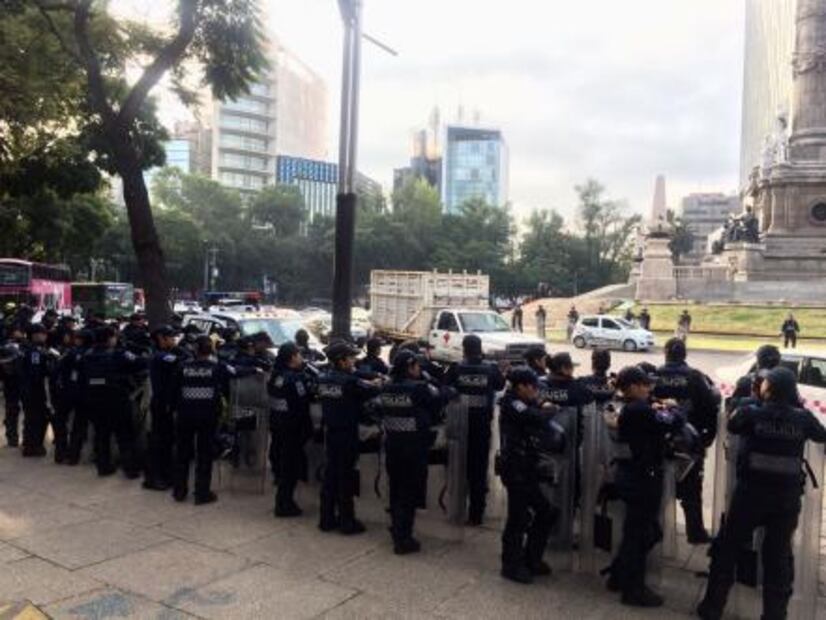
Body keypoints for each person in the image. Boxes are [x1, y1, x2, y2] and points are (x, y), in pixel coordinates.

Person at [697, 367, 826, 620]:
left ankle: (712, 609)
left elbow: (733, 424)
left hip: (749, 496)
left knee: (728, 550)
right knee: (777, 559)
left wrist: (756, 400)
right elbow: (821, 434)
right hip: (785, 501)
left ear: (768, 388)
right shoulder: (802, 418)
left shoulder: (751, 413)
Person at [607, 366, 685, 607]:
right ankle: (633, 590)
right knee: (640, 535)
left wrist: (657, 403)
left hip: (632, 475)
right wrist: (672, 406)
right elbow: (675, 422)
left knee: (642, 532)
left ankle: (619, 575)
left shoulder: (627, 406)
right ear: (631, 387)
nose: (648, 388)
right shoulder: (639, 410)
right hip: (643, 479)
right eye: (643, 385)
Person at [378, 350, 456, 553]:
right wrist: (430, 380)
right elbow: (443, 396)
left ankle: (396, 529)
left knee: (395, 490)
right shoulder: (419, 389)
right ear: (411, 367)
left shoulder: (386, 387)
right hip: (413, 448)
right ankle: (403, 539)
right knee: (409, 493)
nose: (419, 369)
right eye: (417, 367)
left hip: (393, 445)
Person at [173, 335, 259, 504]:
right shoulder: (217, 367)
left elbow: (174, 390)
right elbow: (236, 372)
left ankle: (179, 491)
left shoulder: (182, 367)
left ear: (194, 350)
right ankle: (201, 494)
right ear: (211, 350)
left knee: (182, 454)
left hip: (185, 416)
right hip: (207, 417)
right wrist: (255, 370)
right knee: (204, 455)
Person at [498, 368, 565, 584]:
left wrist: (543, 404)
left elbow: (539, 407)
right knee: (518, 518)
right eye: (533, 387)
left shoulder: (523, 400)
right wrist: (547, 409)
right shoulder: (512, 403)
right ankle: (511, 565)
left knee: (546, 512)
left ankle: (531, 558)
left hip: (527, 467)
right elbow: (534, 416)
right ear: (521, 387)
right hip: (515, 467)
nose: (536, 391)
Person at [653, 338, 719, 544]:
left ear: (665, 353)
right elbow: (711, 407)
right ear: (684, 355)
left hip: (660, 439)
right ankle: (695, 533)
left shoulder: (655, 375)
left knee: (657, 486)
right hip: (690, 441)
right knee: (691, 490)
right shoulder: (696, 377)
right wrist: (707, 437)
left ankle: (656, 530)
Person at [317, 342, 382, 535]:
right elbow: (370, 390)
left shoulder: (325, 379)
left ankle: (326, 519)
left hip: (331, 432)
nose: (354, 361)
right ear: (341, 360)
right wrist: (378, 383)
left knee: (330, 477)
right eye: (350, 358)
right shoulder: (349, 382)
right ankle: (347, 521)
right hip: (347, 434)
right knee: (346, 478)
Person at [444, 335, 507, 525]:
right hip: (481, 427)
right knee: (478, 471)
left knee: (457, 467)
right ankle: (476, 514)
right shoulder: (491, 369)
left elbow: (445, 387)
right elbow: (500, 385)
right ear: (480, 349)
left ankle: (455, 509)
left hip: (459, 427)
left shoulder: (456, 368)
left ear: (464, 349)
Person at [79, 326, 148, 477]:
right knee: (124, 435)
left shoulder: (87, 355)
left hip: (95, 401)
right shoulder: (119, 354)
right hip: (117, 400)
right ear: (110, 338)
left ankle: (103, 467)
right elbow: (141, 363)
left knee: (101, 435)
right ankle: (130, 469)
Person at [268, 341, 315, 517]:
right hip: (293, 430)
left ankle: (284, 501)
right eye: (299, 354)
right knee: (290, 469)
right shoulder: (295, 379)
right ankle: (284, 504)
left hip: (279, 427)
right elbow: (303, 402)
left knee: (284, 467)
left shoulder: (275, 376)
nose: (301, 358)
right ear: (292, 357)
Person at [143, 325, 188, 491]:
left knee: (167, 441)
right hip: (161, 404)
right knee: (159, 442)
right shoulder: (160, 356)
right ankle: (153, 478)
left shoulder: (168, 354)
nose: (173, 340)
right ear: (161, 338)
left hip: (168, 403)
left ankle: (165, 475)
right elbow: (181, 362)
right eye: (170, 337)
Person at [18, 324, 58, 457]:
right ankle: (32, 447)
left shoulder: (29, 348)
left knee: (32, 418)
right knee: (36, 419)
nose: (45, 336)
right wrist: (49, 367)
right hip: (34, 391)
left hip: (29, 390)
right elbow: (36, 373)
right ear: (35, 335)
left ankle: (31, 445)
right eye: (42, 333)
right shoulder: (34, 351)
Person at [0, 323, 25, 447]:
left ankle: (18, 436)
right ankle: (12, 436)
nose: (21, 333)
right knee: (12, 410)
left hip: (22, 383)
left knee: (17, 410)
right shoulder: (6, 347)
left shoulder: (24, 345)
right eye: (18, 331)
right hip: (11, 383)